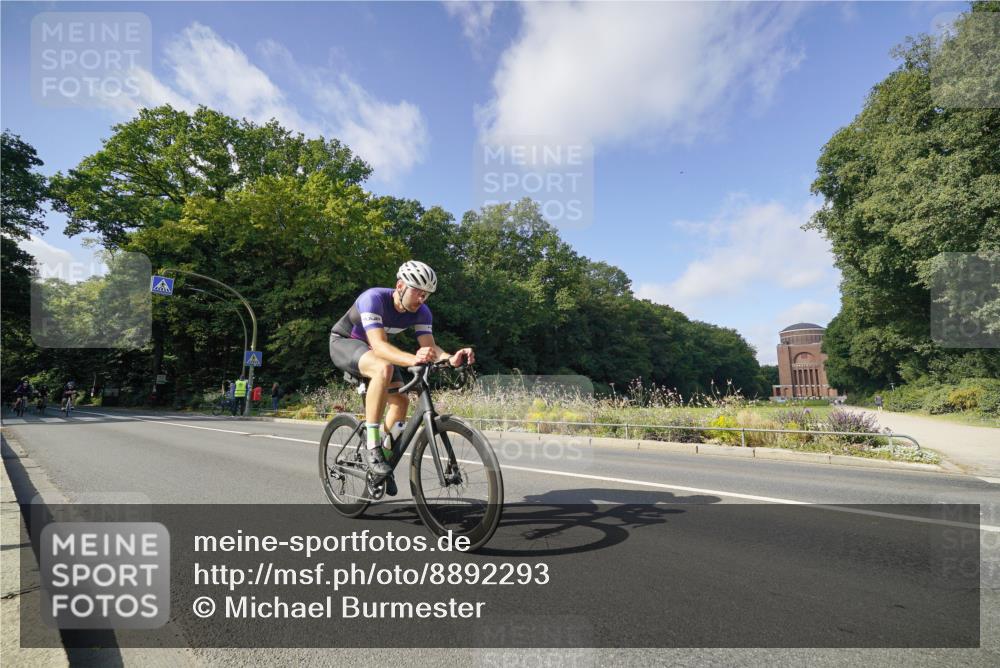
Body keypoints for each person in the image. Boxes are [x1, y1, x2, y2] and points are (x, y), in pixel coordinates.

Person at [329, 261, 474, 483]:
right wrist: (413, 358)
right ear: (400, 286)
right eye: (417, 291)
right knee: (383, 367)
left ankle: (383, 460)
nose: (422, 299)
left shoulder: (422, 312)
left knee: (401, 403)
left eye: (426, 294)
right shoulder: (373, 298)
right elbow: (378, 347)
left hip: (374, 351)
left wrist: (450, 358)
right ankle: (373, 446)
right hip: (346, 343)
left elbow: (432, 348)